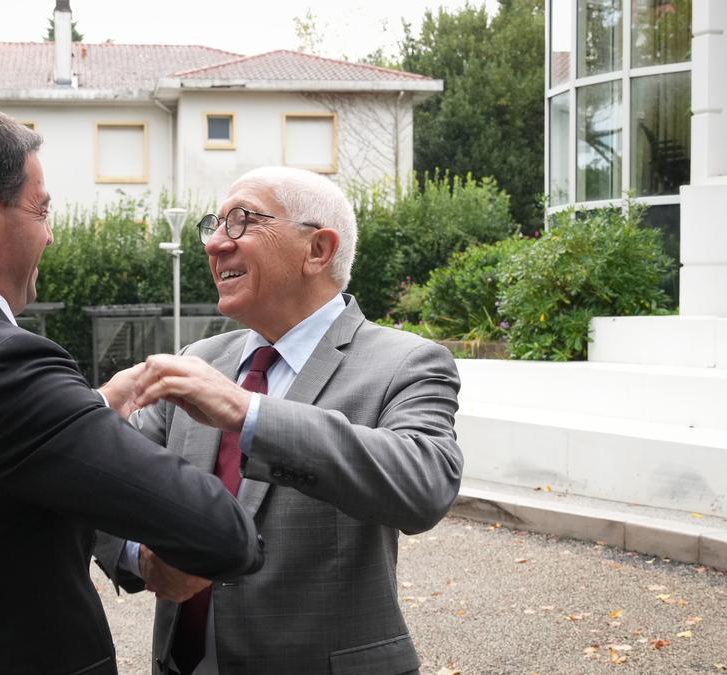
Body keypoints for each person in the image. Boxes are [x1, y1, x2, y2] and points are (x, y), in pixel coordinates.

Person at [0, 102, 264, 675]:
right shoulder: (5, 364)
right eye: (42, 210)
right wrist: (158, 561)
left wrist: (92, 409)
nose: (49, 235)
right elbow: (222, 535)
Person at [94, 166, 464, 675]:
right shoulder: (199, 359)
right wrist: (140, 556)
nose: (215, 244)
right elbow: (102, 484)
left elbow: (424, 485)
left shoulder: (406, 362)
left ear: (318, 250)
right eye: (214, 225)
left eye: (242, 221)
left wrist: (249, 413)